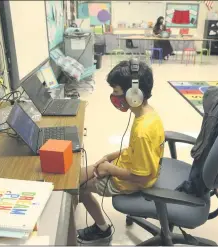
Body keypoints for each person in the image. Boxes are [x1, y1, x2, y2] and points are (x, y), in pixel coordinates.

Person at [77, 60, 165, 244]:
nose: (113, 96)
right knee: (78, 174)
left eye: (116, 91)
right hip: (126, 166)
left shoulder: (143, 131)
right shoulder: (149, 114)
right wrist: (111, 157)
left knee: (78, 185)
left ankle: (102, 230)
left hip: (131, 181)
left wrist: (109, 169)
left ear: (134, 95)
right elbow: (136, 151)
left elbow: (142, 177)